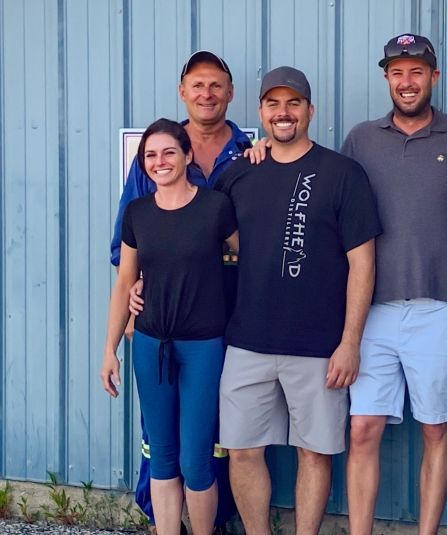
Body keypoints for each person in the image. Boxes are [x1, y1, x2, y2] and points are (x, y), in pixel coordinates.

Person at [213, 66, 380, 535]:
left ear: (310, 110)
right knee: (243, 450)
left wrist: (350, 342)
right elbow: (201, 236)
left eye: (293, 103)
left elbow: (363, 263)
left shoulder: (343, 174)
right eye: (273, 104)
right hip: (247, 339)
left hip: (319, 346)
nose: (283, 113)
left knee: (315, 451)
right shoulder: (239, 173)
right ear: (261, 113)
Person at [339, 34, 447, 535]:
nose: (407, 81)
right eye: (397, 72)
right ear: (386, 78)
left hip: (439, 305)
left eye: (417, 71)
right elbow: (333, 204)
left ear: (434, 77)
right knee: (362, 429)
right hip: (371, 308)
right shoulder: (360, 138)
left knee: (436, 428)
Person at [112, 50, 250, 533]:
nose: (206, 94)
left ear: (230, 93)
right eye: (196, 85)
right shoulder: (143, 194)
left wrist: (202, 268)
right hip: (155, 332)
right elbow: (126, 260)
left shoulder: (253, 153)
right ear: (183, 92)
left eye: (216, 85)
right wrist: (123, 323)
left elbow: (251, 249)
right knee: (163, 451)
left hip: (220, 332)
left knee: (209, 449)